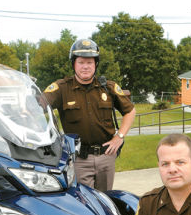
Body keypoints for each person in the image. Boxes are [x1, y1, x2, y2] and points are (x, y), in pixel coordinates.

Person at [43, 38, 136, 191]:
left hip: (106, 156)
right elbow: (37, 105)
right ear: (73, 64)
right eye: (81, 62)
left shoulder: (108, 87)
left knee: (106, 200)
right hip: (79, 159)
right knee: (84, 202)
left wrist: (119, 137)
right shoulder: (61, 88)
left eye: (90, 62)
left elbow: (130, 111)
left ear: (95, 64)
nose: (85, 67)